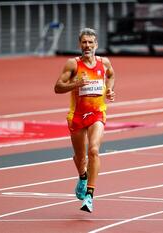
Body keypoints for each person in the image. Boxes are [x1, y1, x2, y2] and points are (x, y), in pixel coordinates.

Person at [54, 28, 115, 213]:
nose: (87, 45)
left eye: (90, 42)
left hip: (97, 113)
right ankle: (82, 175)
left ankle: (89, 195)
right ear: (79, 44)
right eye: (84, 42)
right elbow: (57, 87)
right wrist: (76, 84)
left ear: (96, 44)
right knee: (81, 158)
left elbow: (111, 75)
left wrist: (109, 90)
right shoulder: (73, 64)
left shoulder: (104, 63)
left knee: (94, 150)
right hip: (77, 116)